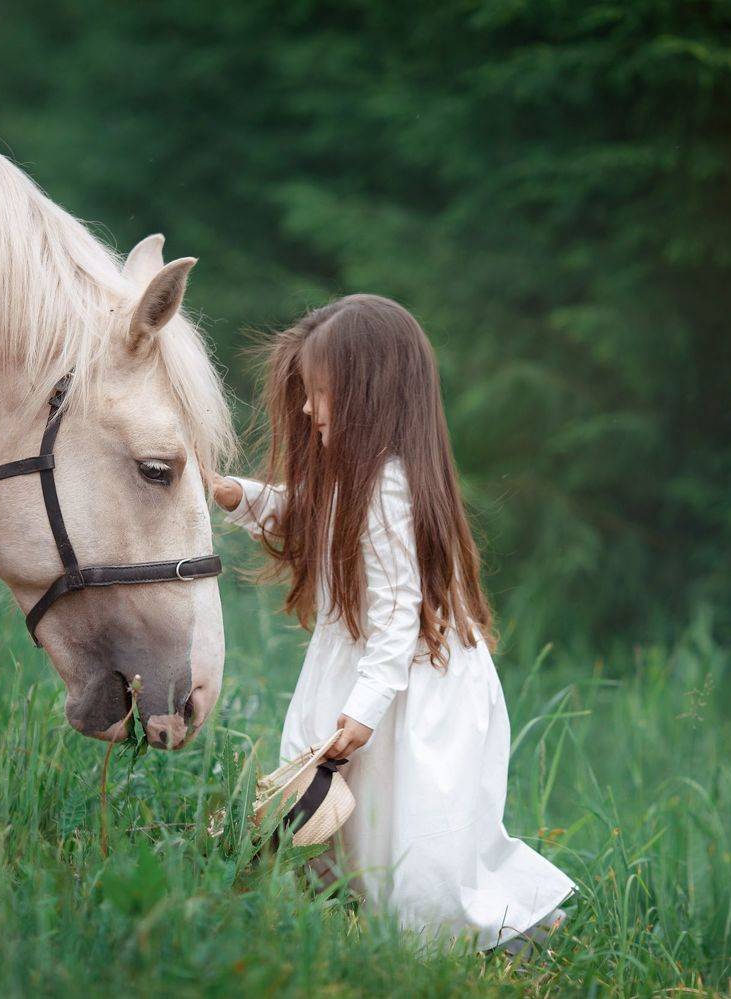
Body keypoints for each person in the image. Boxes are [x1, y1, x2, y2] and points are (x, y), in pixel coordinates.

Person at [207, 294, 574, 953]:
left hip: (411, 688)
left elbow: (399, 609)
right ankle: (375, 934)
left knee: (421, 837)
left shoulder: (389, 485)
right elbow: (308, 517)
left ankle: (505, 933)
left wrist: (365, 708)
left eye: (319, 393)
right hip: (375, 677)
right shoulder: (356, 482)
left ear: (369, 394)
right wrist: (240, 496)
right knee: (361, 828)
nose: (308, 410)